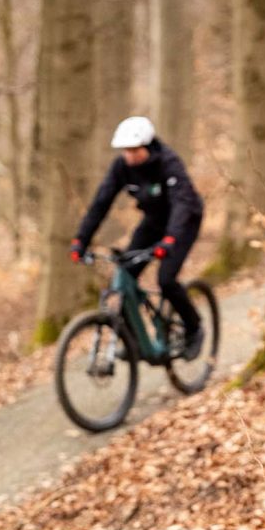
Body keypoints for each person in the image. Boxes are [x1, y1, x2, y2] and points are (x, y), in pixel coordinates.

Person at [71, 115, 205, 359]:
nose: (130, 156)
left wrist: (171, 240)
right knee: (125, 275)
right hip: (153, 222)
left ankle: (194, 328)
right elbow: (101, 203)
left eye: (135, 150)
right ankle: (134, 342)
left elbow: (182, 203)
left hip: (184, 223)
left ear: (147, 146)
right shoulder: (121, 167)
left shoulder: (168, 162)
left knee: (166, 279)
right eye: (126, 151)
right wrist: (81, 240)